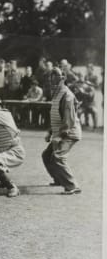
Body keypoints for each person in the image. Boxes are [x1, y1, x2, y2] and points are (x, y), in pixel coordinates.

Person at [41, 67, 82, 195]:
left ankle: (72, 186)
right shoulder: (57, 94)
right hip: (61, 132)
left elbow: (68, 119)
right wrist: (50, 131)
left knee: (58, 157)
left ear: (62, 79)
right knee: (47, 156)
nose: (52, 82)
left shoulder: (67, 95)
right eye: (51, 79)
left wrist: (60, 136)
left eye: (55, 79)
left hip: (69, 133)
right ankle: (59, 179)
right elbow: (56, 115)